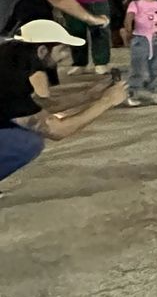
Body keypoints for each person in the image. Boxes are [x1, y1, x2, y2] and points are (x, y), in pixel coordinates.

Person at [0, 20, 127, 194]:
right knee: (28, 142)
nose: (67, 56)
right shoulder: (14, 78)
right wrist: (106, 102)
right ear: (42, 50)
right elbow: (55, 130)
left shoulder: (10, 60)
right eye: (63, 49)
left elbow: (41, 104)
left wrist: (91, 94)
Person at [123, 0, 157, 105]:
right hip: (141, 38)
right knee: (138, 67)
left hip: (156, 39)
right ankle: (133, 92)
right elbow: (129, 19)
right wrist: (129, 33)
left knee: (156, 66)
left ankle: (155, 91)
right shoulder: (135, 3)